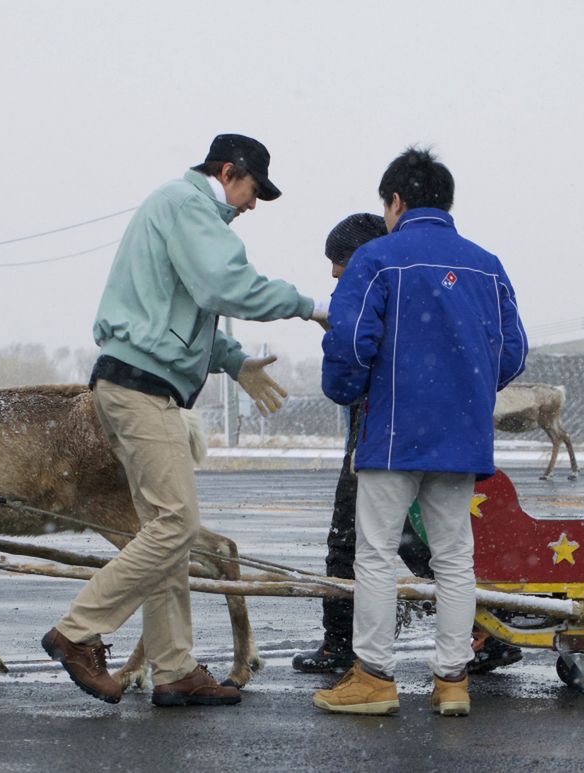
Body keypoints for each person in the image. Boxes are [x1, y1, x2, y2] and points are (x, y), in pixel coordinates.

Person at [41, 133, 328, 706]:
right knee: (176, 525)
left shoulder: (180, 210)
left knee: (163, 533)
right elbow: (223, 286)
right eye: (252, 191)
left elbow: (181, 307)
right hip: (141, 389)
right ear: (228, 171)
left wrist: (233, 361)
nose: (251, 206)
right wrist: (311, 306)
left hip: (137, 383)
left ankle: (172, 669)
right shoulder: (189, 205)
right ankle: (78, 631)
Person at [314, 147, 527, 717]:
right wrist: (468, 387)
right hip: (462, 436)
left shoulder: (379, 258)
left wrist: (348, 388)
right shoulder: (487, 264)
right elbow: (513, 353)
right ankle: (452, 682)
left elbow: (349, 341)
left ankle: (375, 679)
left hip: (393, 433)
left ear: (396, 201)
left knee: (376, 553)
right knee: (455, 556)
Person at [291, 213, 435, 674]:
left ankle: (341, 645)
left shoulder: (378, 284)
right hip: (414, 429)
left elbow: (353, 360)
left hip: (377, 430)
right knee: (421, 541)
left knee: (349, 539)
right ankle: (484, 627)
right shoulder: (414, 285)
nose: (335, 275)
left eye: (341, 263)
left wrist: (337, 340)